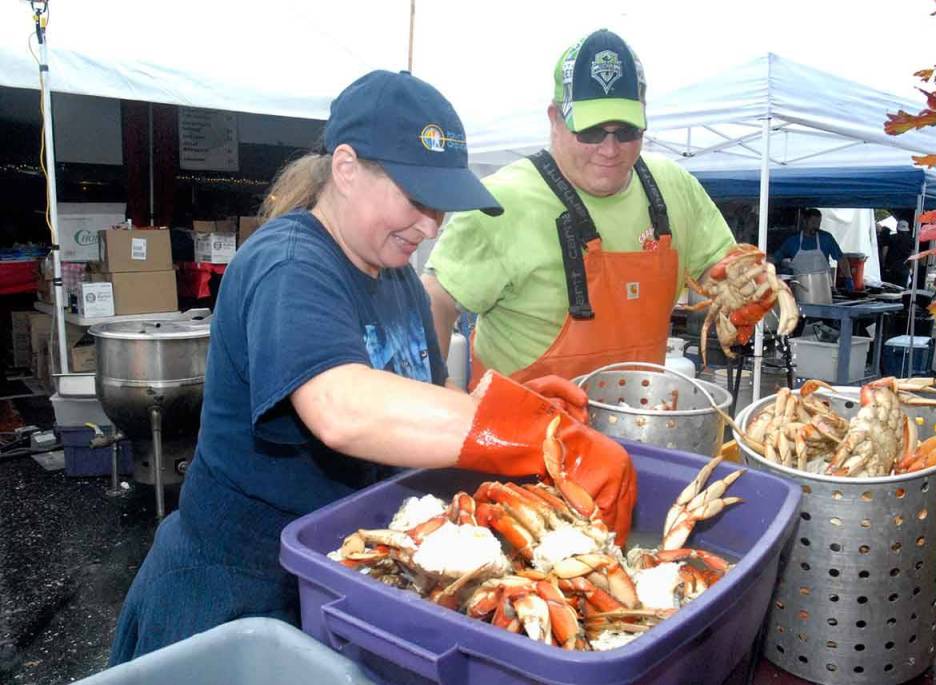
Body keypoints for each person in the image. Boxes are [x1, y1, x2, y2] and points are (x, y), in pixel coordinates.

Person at [107, 70, 636, 664]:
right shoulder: (290, 264)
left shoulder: (398, 278)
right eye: (416, 199)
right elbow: (341, 408)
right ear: (346, 168)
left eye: (441, 206)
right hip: (238, 596)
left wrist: (509, 402)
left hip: (340, 585)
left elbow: (423, 396)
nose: (431, 226)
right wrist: (530, 434)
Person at [423, 29, 752, 387]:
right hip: (521, 433)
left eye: (626, 131)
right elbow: (434, 301)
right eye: (592, 132)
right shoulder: (501, 203)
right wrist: (437, 391)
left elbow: (719, 270)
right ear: (555, 119)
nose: (610, 150)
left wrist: (741, 291)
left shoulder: (675, 188)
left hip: (635, 426)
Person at [772, 208, 853, 290]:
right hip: (800, 289)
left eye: (818, 223)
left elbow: (841, 259)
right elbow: (775, 258)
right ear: (805, 221)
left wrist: (848, 278)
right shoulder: (793, 241)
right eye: (813, 223)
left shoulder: (826, 239)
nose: (816, 226)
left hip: (823, 289)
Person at [882, 219, 915, 288]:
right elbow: (913, 256)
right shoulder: (911, 240)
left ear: (897, 228)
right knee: (901, 291)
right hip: (904, 268)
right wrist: (912, 268)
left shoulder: (891, 237)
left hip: (890, 268)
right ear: (907, 229)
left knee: (888, 289)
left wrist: (883, 264)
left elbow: (884, 251)